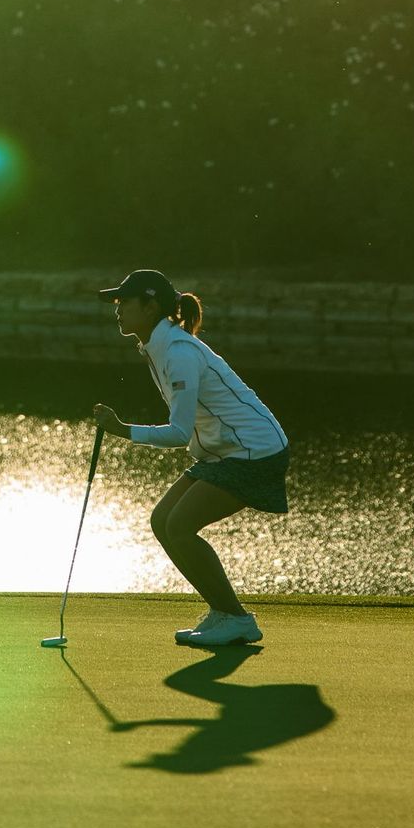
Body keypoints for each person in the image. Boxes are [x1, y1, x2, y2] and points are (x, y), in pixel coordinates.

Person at [92, 266, 289, 648]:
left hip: (255, 451)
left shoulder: (179, 352)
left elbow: (180, 433)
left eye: (124, 302)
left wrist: (122, 429)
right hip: (225, 451)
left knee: (179, 525)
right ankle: (222, 612)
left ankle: (237, 619)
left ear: (150, 307)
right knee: (163, 520)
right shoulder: (158, 345)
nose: (117, 309)